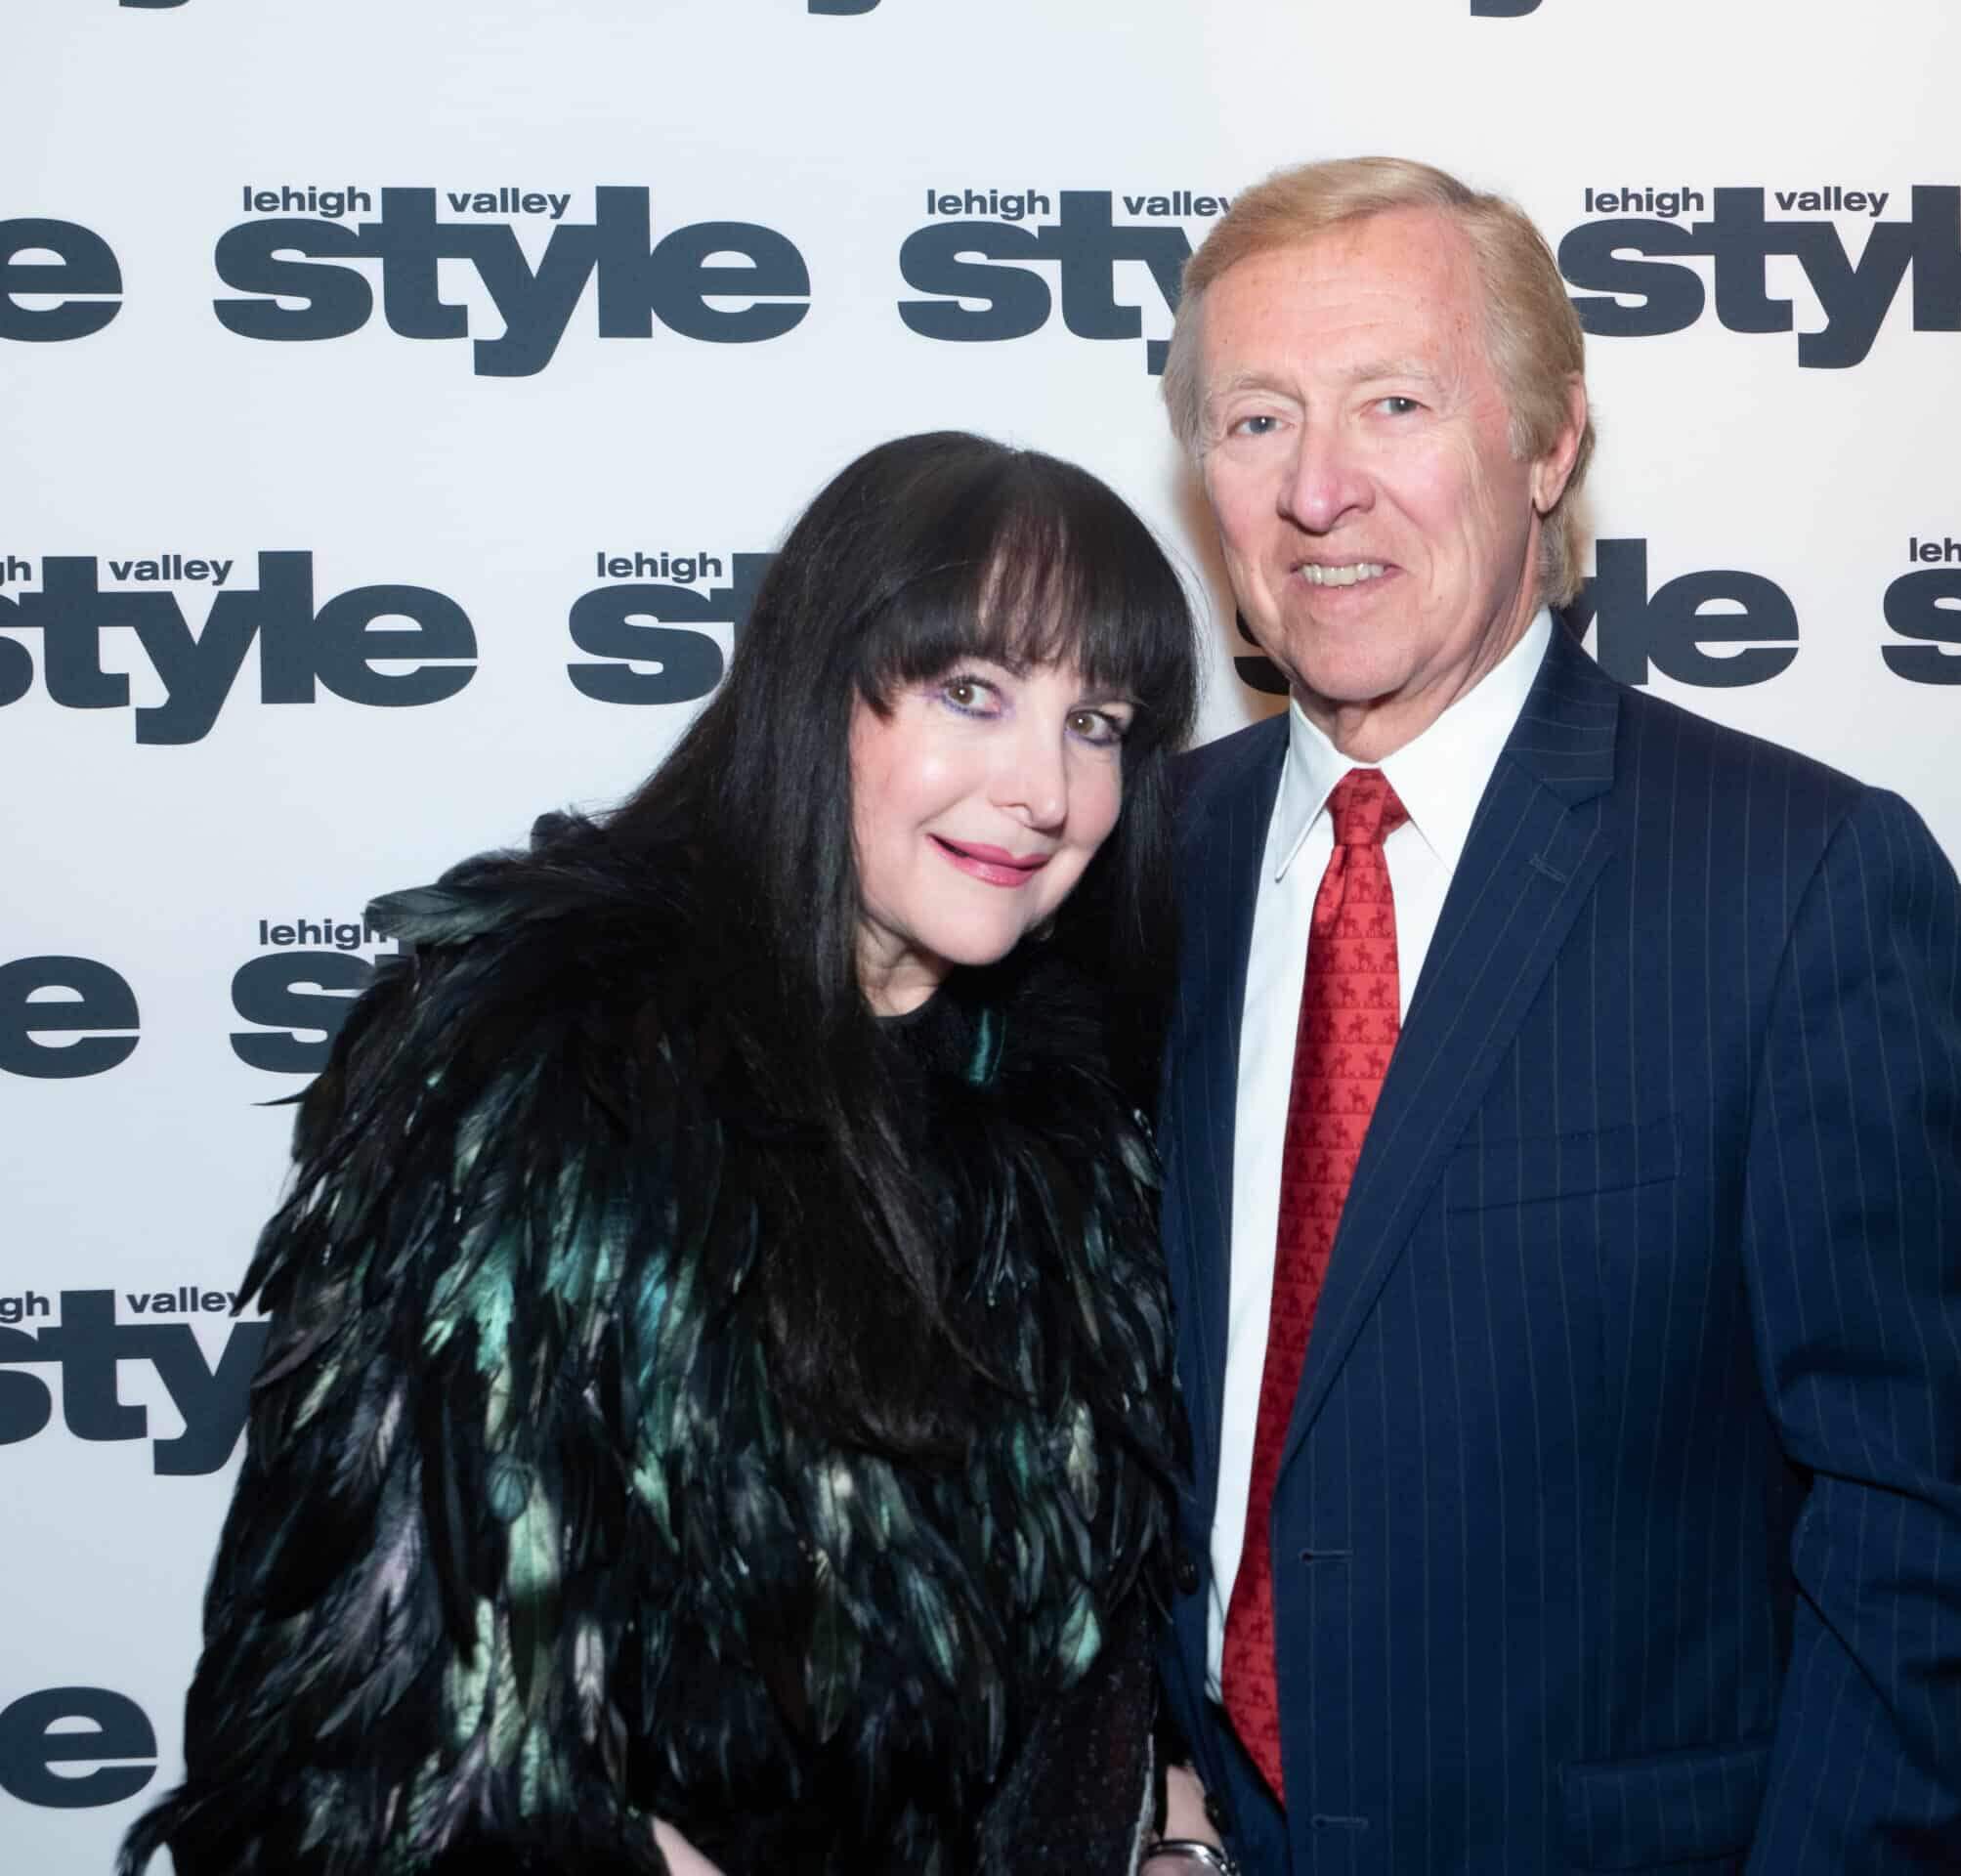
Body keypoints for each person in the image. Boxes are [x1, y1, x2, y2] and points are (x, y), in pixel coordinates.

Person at [1147, 158, 1961, 1874]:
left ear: (1550, 444)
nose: (1319, 490)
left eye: (1395, 404)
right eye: (1255, 420)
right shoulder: (1126, 871)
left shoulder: (1794, 884)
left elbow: (1929, 1539)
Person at [120, 432, 1202, 1876]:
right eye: (973, 694)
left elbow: (1109, 1646)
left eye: (1098, 722)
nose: (1044, 790)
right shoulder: (544, 1064)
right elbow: (382, 1707)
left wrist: (1176, 1844)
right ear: (820, 690)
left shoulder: (1088, 1109)